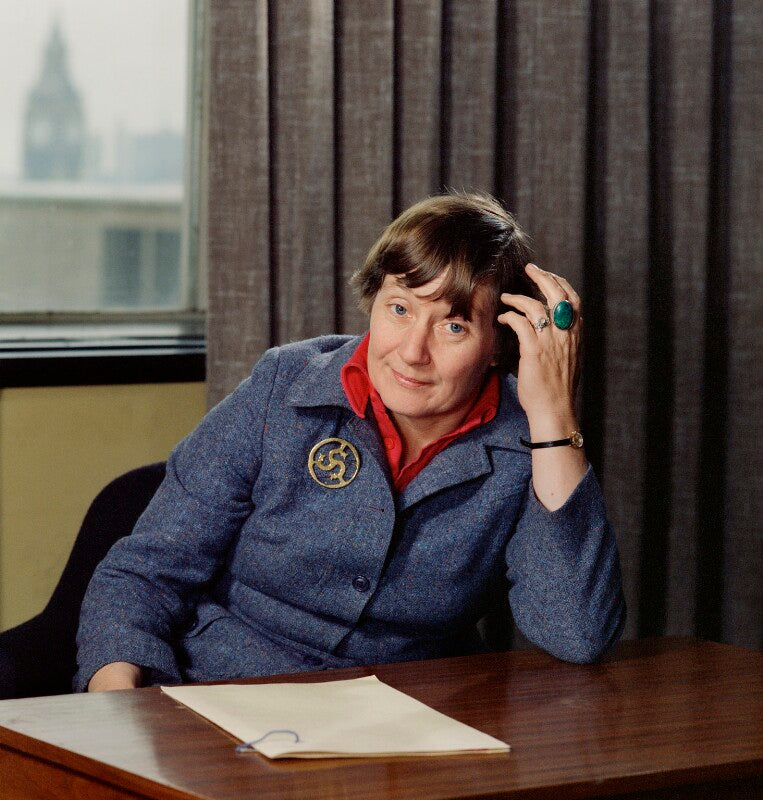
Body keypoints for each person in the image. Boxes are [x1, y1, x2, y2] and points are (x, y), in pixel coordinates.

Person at [76, 192, 625, 692]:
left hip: (409, 722)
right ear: (373, 301)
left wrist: (554, 416)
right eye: (400, 309)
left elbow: (577, 634)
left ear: (500, 345)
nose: (412, 351)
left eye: (453, 326)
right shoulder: (281, 386)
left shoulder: (531, 442)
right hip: (222, 691)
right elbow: (144, 573)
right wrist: (118, 710)